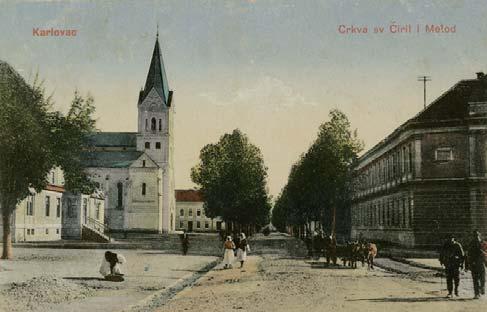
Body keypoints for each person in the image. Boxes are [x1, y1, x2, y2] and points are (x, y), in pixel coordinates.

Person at [466, 231, 486, 299]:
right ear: (473, 236)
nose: (476, 237)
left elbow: (486, 252)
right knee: (475, 279)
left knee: (482, 278)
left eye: (477, 235)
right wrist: (468, 264)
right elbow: (468, 254)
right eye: (474, 235)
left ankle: (482, 288)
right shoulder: (471, 244)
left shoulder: (483, 243)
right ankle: (476, 293)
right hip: (474, 263)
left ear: (479, 235)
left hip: (481, 263)